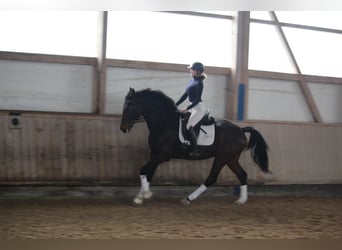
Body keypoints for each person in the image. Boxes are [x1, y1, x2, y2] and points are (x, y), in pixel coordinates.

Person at [176, 62, 207, 157]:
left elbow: (197, 99)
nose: (190, 71)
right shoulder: (191, 81)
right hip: (192, 107)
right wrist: (175, 105)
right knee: (182, 119)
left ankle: (195, 150)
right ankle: (185, 142)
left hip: (198, 109)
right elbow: (184, 95)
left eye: (192, 69)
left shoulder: (199, 83)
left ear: (198, 71)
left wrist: (187, 108)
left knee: (189, 126)